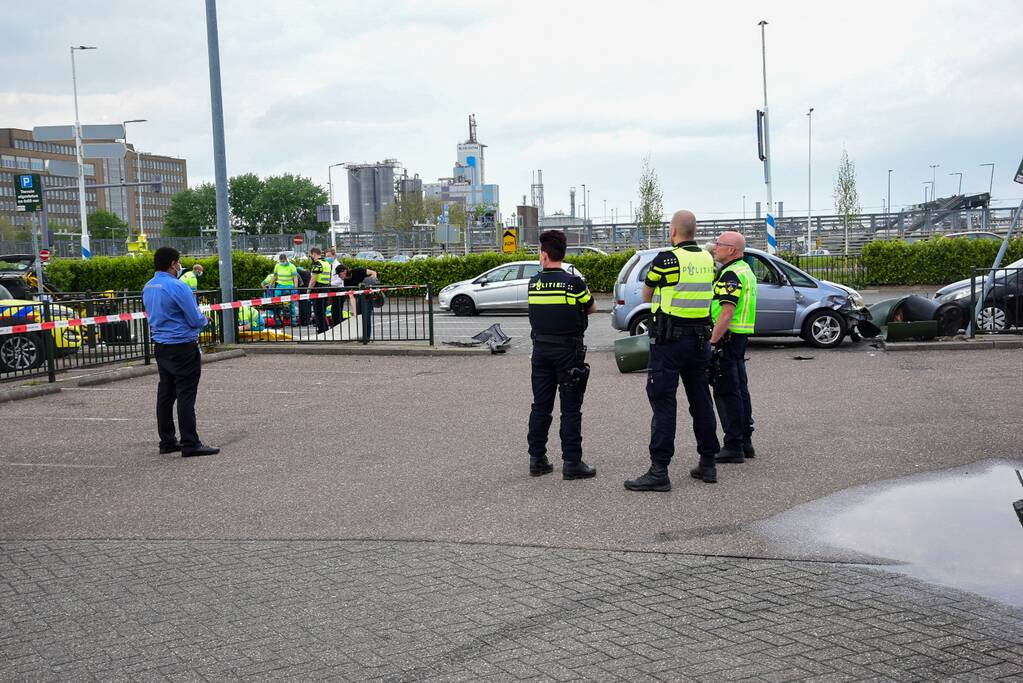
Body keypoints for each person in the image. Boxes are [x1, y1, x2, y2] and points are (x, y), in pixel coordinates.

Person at [625, 210, 719, 491]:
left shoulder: (667, 259)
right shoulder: (707, 259)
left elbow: (646, 294)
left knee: (664, 403)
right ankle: (708, 463)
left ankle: (659, 470)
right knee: (701, 400)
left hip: (669, 343)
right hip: (700, 341)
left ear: (673, 231)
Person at [526, 229, 597, 480]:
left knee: (541, 406)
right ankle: (572, 463)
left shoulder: (533, 283)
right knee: (570, 409)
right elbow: (591, 307)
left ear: (544, 255)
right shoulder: (573, 282)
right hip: (568, 351)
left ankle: (537, 459)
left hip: (541, 351)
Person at [142, 247, 219, 458]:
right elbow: (194, 318)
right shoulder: (179, 286)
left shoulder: (148, 286)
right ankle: (190, 443)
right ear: (173, 263)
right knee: (186, 394)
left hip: (161, 345)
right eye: (178, 262)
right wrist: (205, 320)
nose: (179, 265)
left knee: (166, 394)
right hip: (183, 346)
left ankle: (167, 441)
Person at [709, 231, 758, 464]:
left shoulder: (731, 274)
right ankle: (745, 440)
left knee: (726, 391)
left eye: (719, 244)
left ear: (731, 250)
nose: (714, 247)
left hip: (727, 338)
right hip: (739, 338)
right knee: (740, 389)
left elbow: (727, 312)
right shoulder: (745, 270)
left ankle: (733, 445)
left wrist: (712, 340)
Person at [269, 252, 299, 325]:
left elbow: (295, 278)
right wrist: (270, 285)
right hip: (279, 286)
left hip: (289, 286)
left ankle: (293, 321)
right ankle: (278, 321)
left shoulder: (292, 266)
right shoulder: (277, 266)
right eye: (281, 261)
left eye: (283, 261)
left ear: (286, 259)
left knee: (292, 304)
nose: (282, 262)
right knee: (277, 303)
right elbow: (275, 276)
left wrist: (295, 288)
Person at [307, 247, 332, 333]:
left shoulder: (317, 263)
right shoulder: (326, 263)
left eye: (310, 255)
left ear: (314, 254)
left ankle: (322, 330)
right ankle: (325, 329)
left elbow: (313, 279)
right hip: (325, 289)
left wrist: (308, 290)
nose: (311, 257)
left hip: (318, 290)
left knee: (318, 312)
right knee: (322, 311)